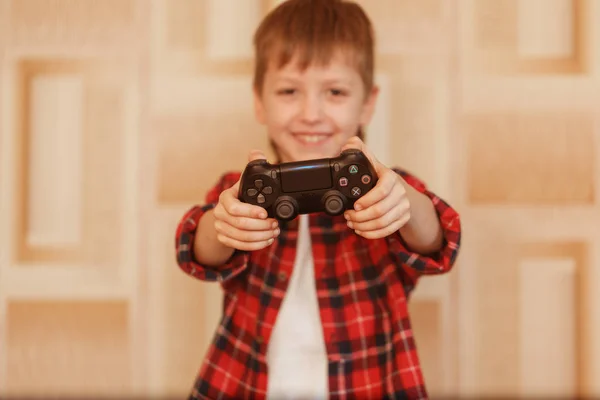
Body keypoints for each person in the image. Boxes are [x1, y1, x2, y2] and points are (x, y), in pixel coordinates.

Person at [174, 0, 461, 398]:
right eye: (289, 90)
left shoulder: (385, 189)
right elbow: (197, 248)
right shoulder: (241, 190)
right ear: (259, 101)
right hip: (248, 384)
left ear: (368, 103)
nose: (312, 113)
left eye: (335, 91)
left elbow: (438, 240)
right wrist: (226, 223)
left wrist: (404, 205)